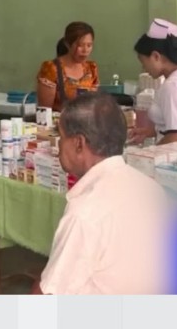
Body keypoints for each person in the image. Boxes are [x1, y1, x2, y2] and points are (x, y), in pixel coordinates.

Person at [33, 92, 169, 294]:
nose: (59, 144)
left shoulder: (85, 214)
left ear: (79, 143)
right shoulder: (151, 189)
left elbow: (49, 294)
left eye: (61, 136)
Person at [37, 22, 100, 111]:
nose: (85, 50)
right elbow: (44, 110)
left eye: (89, 45)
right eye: (80, 45)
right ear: (67, 44)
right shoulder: (51, 68)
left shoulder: (91, 68)